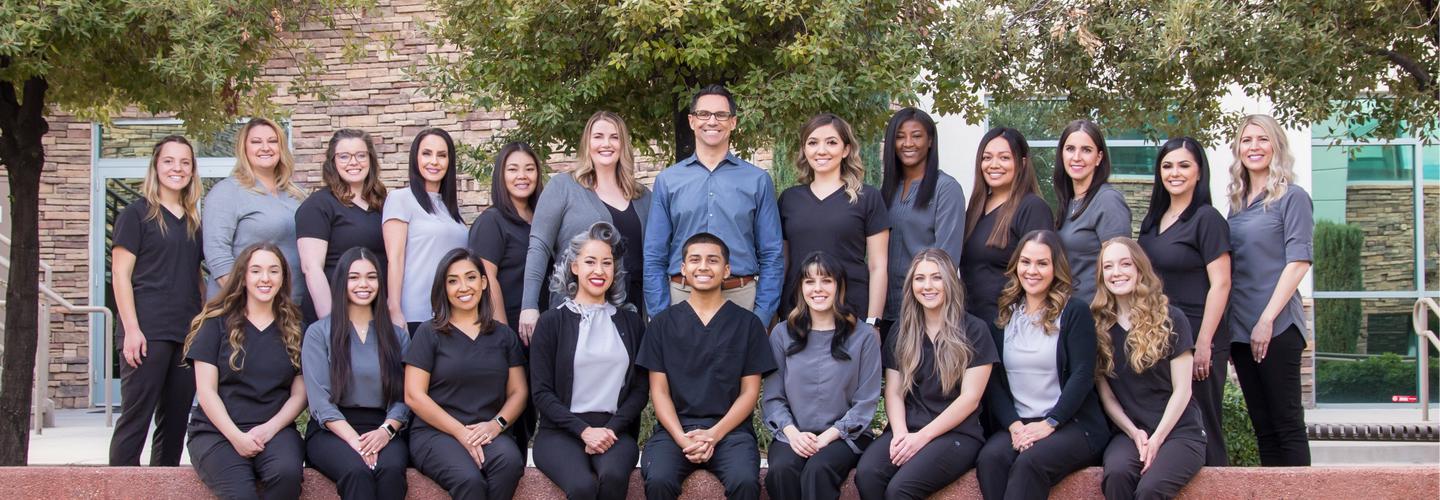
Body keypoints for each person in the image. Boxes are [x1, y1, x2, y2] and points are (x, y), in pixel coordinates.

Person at [637, 233, 777, 500]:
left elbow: (749, 392)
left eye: (712, 260)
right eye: (695, 260)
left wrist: (714, 434)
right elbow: (659, 392)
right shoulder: (662, 324)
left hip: (731, 432)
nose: (703, 267)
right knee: (659, 479)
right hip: (674, 430)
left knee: (745, 482)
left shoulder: (748, 325)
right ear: (683, 269)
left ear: (727, 270)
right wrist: (682, 438)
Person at [855, 249, 997, 500]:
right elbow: (894, 392)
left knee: (901, 490)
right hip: (907, 427)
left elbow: (970, 399)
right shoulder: (902, 331)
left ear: (950, 282)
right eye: (919, 278)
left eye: (936, 277)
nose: (927, 286)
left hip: (957, 434)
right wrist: (900, 433)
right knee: (868, 474)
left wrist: (921, 438)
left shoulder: (974, 330)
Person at [976, 230, 1108, 500]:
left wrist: (1050, 423)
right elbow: (994, 381)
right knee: (990, 459)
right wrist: (1015, 426)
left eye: (1042, 263)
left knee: (1029, 464)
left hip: (1071, 423)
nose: (1032, 271)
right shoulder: (1003, 314)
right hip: (1019, 423)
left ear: (1055, 268)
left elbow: (1082, 374)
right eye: (1025, 262)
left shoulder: (1075, 311)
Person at [644, 84, 783, 323]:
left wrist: (761, 315)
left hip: (740, 298)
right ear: (691, 121)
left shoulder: (757, 180)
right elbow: (654, 255)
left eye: (721, 115)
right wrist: (660, 317)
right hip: (682, 297)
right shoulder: (668, 181)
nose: (712, 121)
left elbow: (772, 254)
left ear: (733, 122)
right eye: (704, 114)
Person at [529, 222, 648, 500]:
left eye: (607, 263)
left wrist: (609, 430)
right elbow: (541, 392)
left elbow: (640, 390)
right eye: (590, 262)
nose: (599, 271)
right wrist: (583, 431)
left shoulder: (631, 323)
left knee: (613, 477)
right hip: (560, 432)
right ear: (574, 267)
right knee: (581, 486)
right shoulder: (551, 322)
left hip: (615, 430)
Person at [183, 243, 307, 499]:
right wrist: (236, 437)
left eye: (273, 271)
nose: (265, 278)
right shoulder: (215, 324)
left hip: (275, 430)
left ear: (283, 278)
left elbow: (300, 395)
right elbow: (206, 392)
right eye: (256, 271)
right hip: (217, 432)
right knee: (241, 493)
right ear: (243, 276)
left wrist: (269, 429)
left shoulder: (295, 329)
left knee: (286, 475)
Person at [109, 136, 205, 467]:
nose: (177, 168)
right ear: (155, 166)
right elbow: (120, 275)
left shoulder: (193, 221)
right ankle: (122, 489)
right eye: (169, 161)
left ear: (192, 170)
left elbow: (194, 276)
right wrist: (131, 330)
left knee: (175, 425)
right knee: (135, 420)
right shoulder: (135, 215)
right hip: (146, 332)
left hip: (186, 334)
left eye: (185, 162)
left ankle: (161, 487)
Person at [1137, 137, 1232, 466]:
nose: (1174, 173)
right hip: (1161, 337)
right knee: (1170, 428)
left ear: (1199, 172)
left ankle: (1219, 487)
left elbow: (1221, 283)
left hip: (1199, 336)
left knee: (1203, 425)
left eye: (1183, 165)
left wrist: (1203, 343)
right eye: (1167, 166)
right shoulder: (1152, 221)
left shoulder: (1207, 219)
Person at [1225, 114, 1313, 467]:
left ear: (1276, 145)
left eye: (1262, 139)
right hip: (1241, 331)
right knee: (1263, 429)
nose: (1254, 147)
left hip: (1276, 327)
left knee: (1287, 425)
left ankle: (1298, 492)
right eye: (1247, 140)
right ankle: (1273, 491)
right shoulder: (1236, 204)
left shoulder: (1292, 197)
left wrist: (1266, 320)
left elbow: (1299, 262)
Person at [404, 249, 527, 500]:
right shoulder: (429, 333)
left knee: (510, 463)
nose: (463, 287)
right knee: (469, 480)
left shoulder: (504, 336)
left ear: (483, 282)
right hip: (436, 433)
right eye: (453, 280)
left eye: (470, 278)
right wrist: (461, 432)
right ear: (444, 288)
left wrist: (496, 425)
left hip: (487, 431)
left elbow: (519, 392)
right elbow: (414, 395)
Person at [762, 251, 882, 500]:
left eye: (826, 280)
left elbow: (866, 402)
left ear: (839, 286)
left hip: (844, 436)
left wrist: (827, 437)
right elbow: (773, 398)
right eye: (810, 281)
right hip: (794, 433)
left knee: (818, 470)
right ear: (800, 288)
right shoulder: (782, 334)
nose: (818, 288)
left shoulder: (863, 336)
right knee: (782, 470)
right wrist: (793, 434)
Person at [1093, 238, 1207, 499]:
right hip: (1130, 431)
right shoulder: (1097, 327)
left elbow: (1183, 390)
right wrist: (1134, 433)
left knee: (1150, 490)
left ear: (1139, 269)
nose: (1116, 272)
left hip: (1179, 431)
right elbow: (1107, 396)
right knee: (1117, 475)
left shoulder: (1171, 318)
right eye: (1108, 266)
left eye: (1125, 264)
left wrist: (1157, 438)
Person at [520, 112, 651, 339]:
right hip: (576, 309)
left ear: (623, 144)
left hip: (633, 310)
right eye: (598, 136)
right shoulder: (563, 187)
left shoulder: (643, 196)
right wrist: (529, 305)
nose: (606, 143)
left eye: (614, 137)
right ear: (587, 143)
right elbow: (539, 246)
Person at [302, 247, 410, 499]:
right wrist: (355, 441)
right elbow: (319, 401)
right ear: (342, 282)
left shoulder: (397, 336)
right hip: (332, 430)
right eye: (354, 277)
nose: (364, 284)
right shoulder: (319, 333)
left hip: (383, 427)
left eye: (371, 277)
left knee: (391, 471)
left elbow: (405, 396)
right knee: (356, 472)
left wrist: (385, 431)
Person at [778, 113, 889, 322]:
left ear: (846, 149)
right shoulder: (789, 199)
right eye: (813, 143)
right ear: (804, 150)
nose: (821, 150)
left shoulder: (867, 197)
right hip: (797, 314)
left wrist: (873, 322)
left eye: (831, 142)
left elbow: (878, 266)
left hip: (850, 314)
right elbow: (782, 263)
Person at [203, 118, 310, 321]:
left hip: (291, 309)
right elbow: (217, 254)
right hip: (244, 312)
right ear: (244, 148)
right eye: (256, 142)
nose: (265, 147)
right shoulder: (227, 192)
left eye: (272, 141)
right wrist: (247, 303)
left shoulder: (297, 195)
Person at [878, 107, 966, 338]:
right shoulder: (887, 191)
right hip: (886, 311)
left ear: (930, 141)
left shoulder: (946, 189)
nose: (908, 143)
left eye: (916, 136)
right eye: (900, 136)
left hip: (925, 312)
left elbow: (947, 259)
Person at [961, 127, 1055, 327]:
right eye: (987, 158)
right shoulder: (975, 209)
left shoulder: (1032, 208)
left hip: (1010, 326)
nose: (993, 164)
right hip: (972, 327)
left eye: (1004, 158)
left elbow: (1042, 274)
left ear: (1022, 163)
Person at [297, 129, 388, 320]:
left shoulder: (382, 203)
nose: (353, 162)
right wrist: (330, 323)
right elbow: (312, 268)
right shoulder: (318, 205)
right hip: (335, 313)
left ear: (370, 159)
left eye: (361, 155)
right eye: (344, 156)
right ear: (332, 162)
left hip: (374, 313)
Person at [384, 128, 469, 333]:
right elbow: (395, 258)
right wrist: (394, 308)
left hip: (452, 314)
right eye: (427, 153)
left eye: (442, 155)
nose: (434, 161)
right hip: (416, 314)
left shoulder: (449, 208)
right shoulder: (400, 199)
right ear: (415, 158)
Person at [1053, 119, 1131, 304]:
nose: (1076, 157)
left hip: (1097, 311)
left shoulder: (1108, 201)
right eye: (1070, 149)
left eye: (1086, 150)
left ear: (1099, 157)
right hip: (1070, 309)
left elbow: (1120, 272)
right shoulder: (1069, 201)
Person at [469, 141, 546, 327]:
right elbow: (487, 280)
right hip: (513, 327)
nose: (522, 176)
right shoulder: (491, 222)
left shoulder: (543, 219)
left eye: (529, 169)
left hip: (546, 326)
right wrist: (503, 334)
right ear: (501, 175)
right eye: (513, 169)